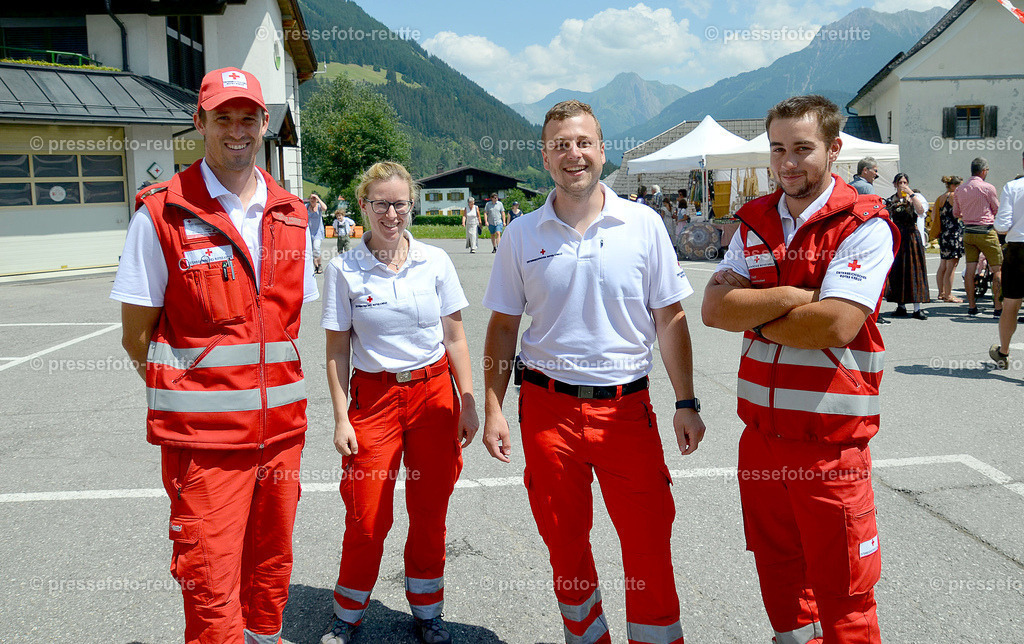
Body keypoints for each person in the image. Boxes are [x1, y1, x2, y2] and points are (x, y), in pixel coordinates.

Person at [481, 99, 706, 644]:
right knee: (564, 540)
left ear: (603, 151)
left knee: (648, 538)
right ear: (544, 157)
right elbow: (504, 327)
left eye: (583, 142)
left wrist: (686, 401)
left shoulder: (644, 224)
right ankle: (586, 636)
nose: (573, 154)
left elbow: (670, 317)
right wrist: (492, 409)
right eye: (560, 145)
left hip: (627, 409)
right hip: (546, 408)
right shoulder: (521, 234)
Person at [110, 67, 319, 644]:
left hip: (280, 436)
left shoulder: (295, 215)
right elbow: (137, 337)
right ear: (198, 122)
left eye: (247, 117)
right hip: (204, 447)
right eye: (222, 117)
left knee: (271, 573)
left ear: (265, 124)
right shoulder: (163, 213)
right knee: (209, 581)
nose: (236, 130)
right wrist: (193, 395)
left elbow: (289, 328)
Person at [702, 95, 896, 644]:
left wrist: (756, 311)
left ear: (835, 149)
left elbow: (833, 325)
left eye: (803, 149)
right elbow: (715, 310)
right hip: (761, 439)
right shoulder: (755, 220)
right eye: (778, 149)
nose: (788, 162)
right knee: (781, 576)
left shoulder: (863, 223)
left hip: (828, 444)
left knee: (845, 594)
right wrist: (793, 295)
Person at [320, 161, 478, 644]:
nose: (392, 213)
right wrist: (341, 417)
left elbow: (454, 336)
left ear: (411, 204)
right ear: (363, 206)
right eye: (381, 204)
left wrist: (468, 401)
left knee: (430, 511)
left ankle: (428, 612)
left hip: (433, 395)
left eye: (400, 203)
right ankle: (347, 616)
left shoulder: (434, 261)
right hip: (376, 399)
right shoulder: (344, 269)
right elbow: (336, 349)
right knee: (367, 516)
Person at [954, 157, 1003, 316]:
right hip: (986, 231)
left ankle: (972, 306)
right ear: (983, 171)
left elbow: (956, 213)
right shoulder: (988, 188)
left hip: (968, 231)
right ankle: (997, 307)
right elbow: (997, 209)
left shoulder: (960, 189)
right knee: (997, 269)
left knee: (970, 269)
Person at [991, 152, 1024, 368]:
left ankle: (1003, 353)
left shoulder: (1013, 187)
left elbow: (1002, 225)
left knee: (1011, 304)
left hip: (1018, 249)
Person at [885, 173, 931, 319]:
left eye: (905, 182)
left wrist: (911, 194)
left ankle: (917, 308)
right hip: (898, 236)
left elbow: (921, 211)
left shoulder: (914, 198)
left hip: (912, 236)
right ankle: (901, 305)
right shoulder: (892, 200)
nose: (903, 185)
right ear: (895, 184)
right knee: (898, 271)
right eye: (900, 182)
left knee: (914, 271)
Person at [934, 176, 965, 302]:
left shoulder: (940, 198)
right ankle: (948, 294)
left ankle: (941, 292)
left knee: (943, 264)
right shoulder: (954, 196)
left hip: (944, 233)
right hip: (954, 233)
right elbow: (961, 213)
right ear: (953, 186)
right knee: (952, 265)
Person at [309, 192, 327, 273]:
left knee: (316, 248)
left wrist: (318, 198)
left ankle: (319, 265)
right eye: (311, 198)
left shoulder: (319, 206)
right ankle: (315, 266)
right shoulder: (306, 207)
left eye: (314, 198)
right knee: (311, 250)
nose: (313, 200)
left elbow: (325, 208)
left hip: (318, 232)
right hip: (309, 232)